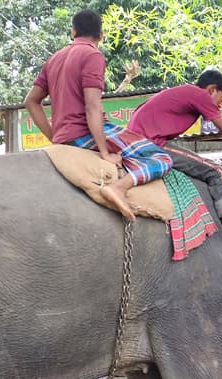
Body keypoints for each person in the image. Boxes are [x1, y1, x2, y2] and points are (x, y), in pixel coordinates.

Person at [24, 10, 171, 221]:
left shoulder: (54, 59)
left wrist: (54, 137)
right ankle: (119, 188)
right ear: (100, 36)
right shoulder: (93, 55)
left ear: (73, 31)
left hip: (64, 136)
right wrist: (105, 153)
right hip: (85, 133)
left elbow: (30, 101)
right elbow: (92, 107)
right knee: (162, 157)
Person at [128, 70, 222, 257]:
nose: (221, 105)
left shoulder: (185, 93)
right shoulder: (200, 95)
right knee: (217, 172)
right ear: (211, 90)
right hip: (150, 144)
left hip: (139, 140)